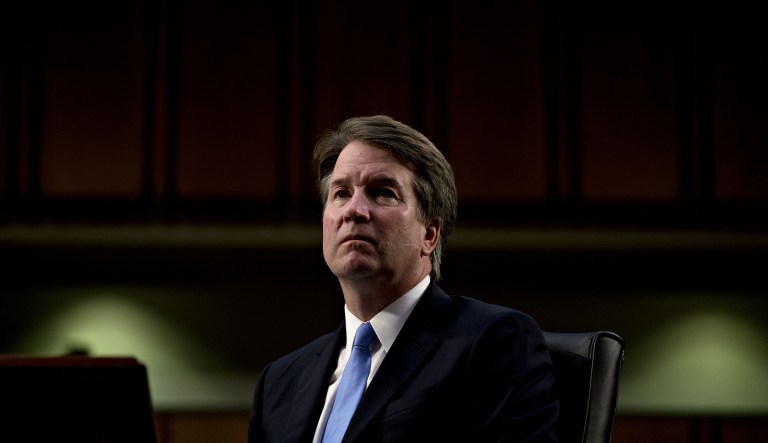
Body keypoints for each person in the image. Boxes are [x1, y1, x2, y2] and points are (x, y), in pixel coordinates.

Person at [249, 115, 559, 442]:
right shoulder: (279, 382)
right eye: (340, 193)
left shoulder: (493, 343)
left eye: (382, 192)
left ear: (429, 234)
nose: (354, 210)